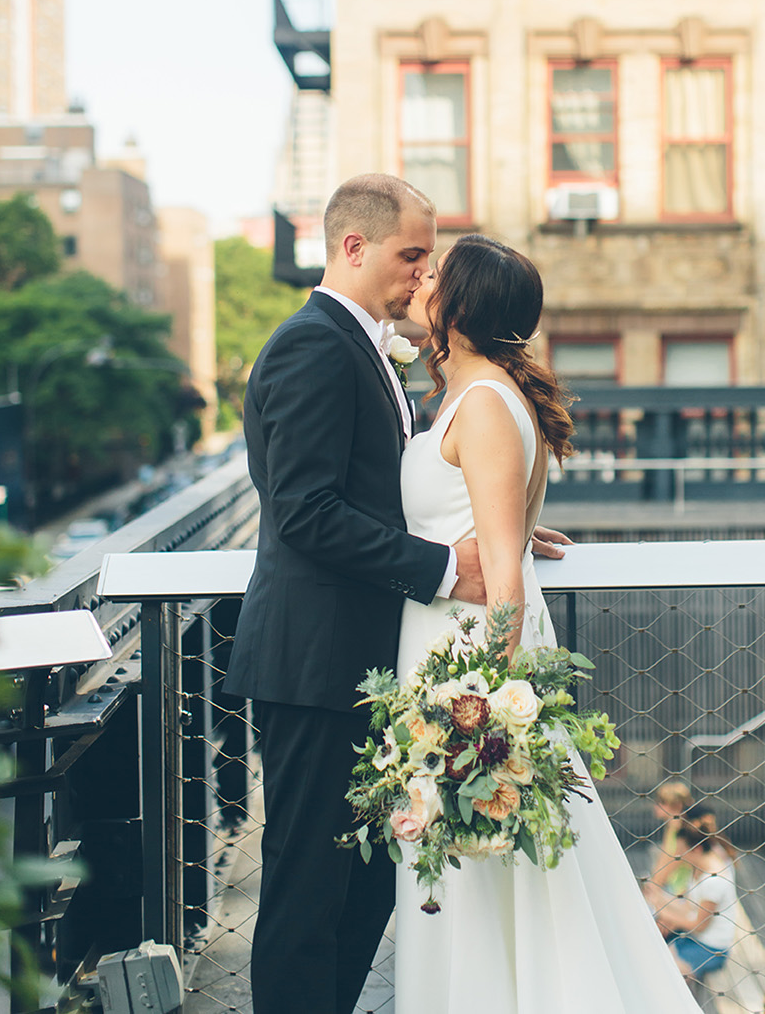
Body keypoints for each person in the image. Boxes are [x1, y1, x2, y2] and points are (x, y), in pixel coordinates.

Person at [224, 176, 568, 1014]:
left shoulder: (370, 349)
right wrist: (452, 567)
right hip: (314, 664)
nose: (423, 277)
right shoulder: (314, 344)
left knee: (366, 889)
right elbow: (305, 512)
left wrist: (502, 529)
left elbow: (388, 494)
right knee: (309, 892)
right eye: (412, 255)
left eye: (430, 261)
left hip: (373, 669)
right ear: (353, 246)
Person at [393, 233, 702, 1013]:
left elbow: (505, 586)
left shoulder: (489, 402)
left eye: (432, 277)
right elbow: (485, 522)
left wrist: (483, 725)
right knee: (473, 880)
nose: (418, 283)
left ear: (456, 310)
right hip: (444, 660)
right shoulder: (472, 395)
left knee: (493, 880)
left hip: (467, 676)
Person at [667, 816, 738, 986]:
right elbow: (690, 907)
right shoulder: (699, 868)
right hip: (695, 939)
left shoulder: (713, 880)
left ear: (697, 849)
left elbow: (700, 926)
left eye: (682, 850)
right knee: (658, 954)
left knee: (668, 970)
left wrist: (665, 913)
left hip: (713, 949)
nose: (678, 855)